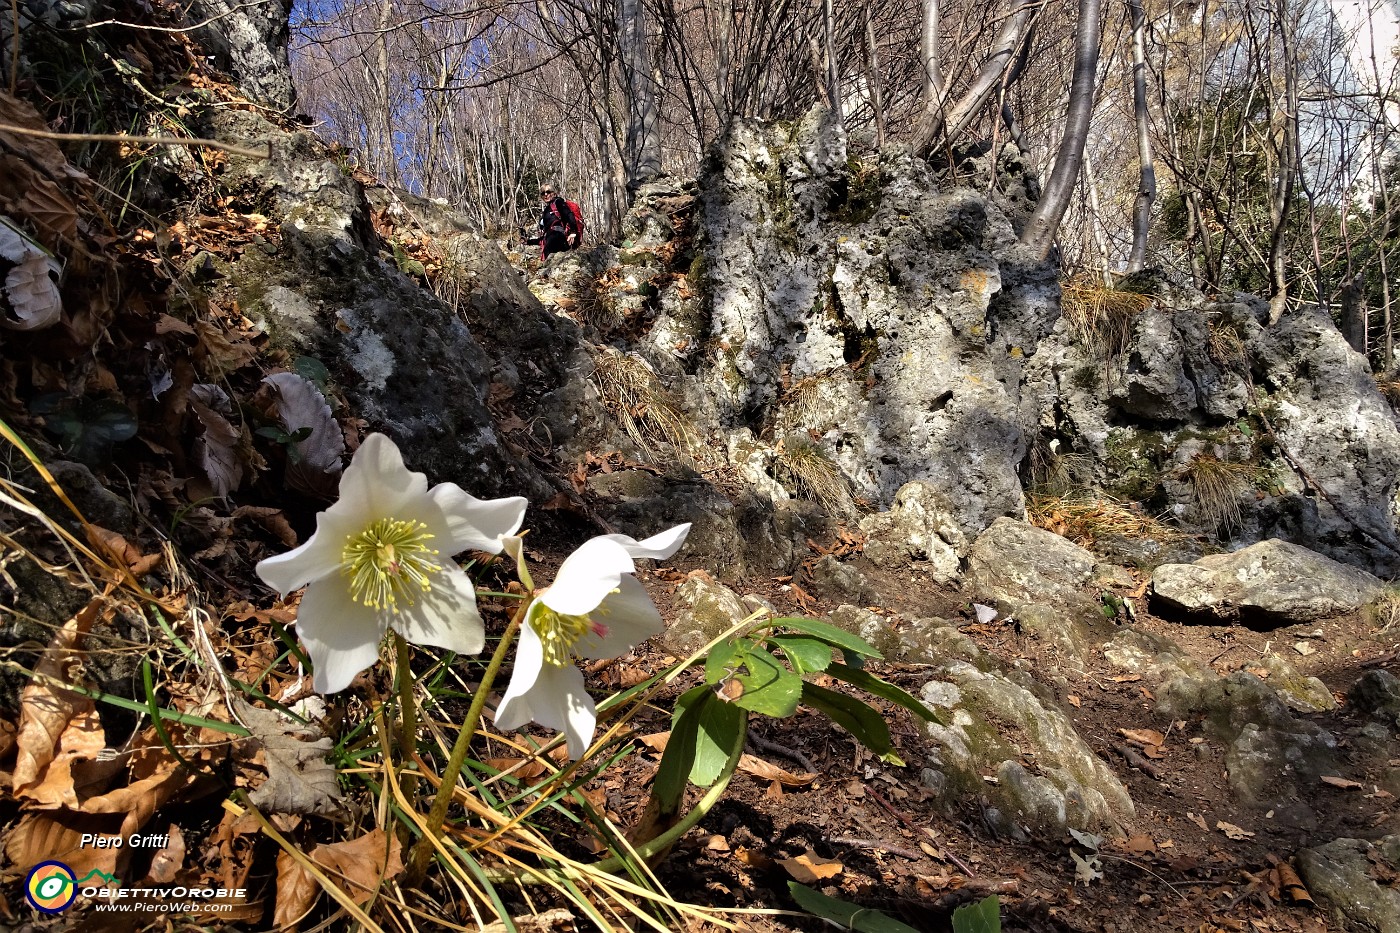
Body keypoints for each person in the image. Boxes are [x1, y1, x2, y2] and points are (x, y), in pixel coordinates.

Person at [534, 184, 578, 259]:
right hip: (549, 242)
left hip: (558, 240)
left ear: (554, 193)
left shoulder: (558, 202)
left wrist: (573, 232)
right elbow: (543, 237)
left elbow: (569, 214)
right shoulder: (547, 210)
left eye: (548, 192)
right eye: (543, 193)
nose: (545, 194)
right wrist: (527, 242)